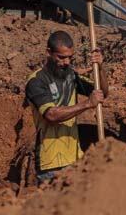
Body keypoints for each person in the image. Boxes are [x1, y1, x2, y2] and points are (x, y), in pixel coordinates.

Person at [25, 30, 108, 183]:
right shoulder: (36, 81)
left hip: (75, 159)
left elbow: (101, 91)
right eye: (61, 57)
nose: (67, 62)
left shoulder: (71, 75)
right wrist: (87, 103)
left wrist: (100, 68)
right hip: (50, 165)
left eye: (70, 57)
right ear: (48, 52)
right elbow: (51, 115)